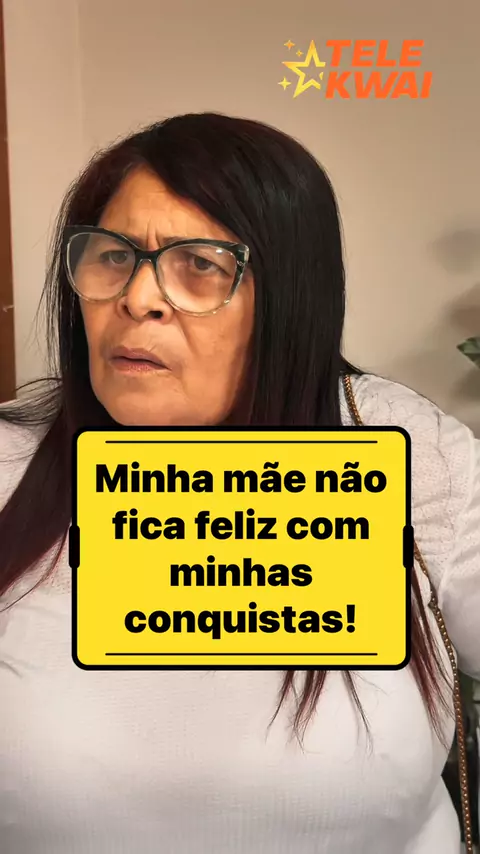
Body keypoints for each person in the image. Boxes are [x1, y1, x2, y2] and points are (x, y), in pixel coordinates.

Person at [0, 112, 478, 854]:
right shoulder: (9, 461)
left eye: (200, 263)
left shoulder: (410, 451)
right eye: (114, 256)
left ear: (290, 298)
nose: (137, 298)